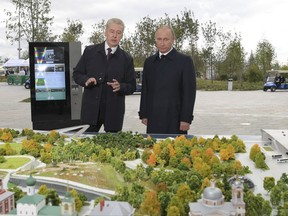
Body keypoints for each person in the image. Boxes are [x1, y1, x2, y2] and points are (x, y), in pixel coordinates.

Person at [73, 18, 136, 133]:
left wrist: (121, 87)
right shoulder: (90, 51)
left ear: (122, 35)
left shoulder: (127, 59)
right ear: (105, 32)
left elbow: (132, 86)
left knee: (113, 148)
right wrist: (86, 80)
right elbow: (77, 74)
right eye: (112, 31)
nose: (114, 35)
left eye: (118, 32)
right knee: (86, 146)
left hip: (114, 113)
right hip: (90, 111)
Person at [138, 25, 196, 135]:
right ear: (155, 40)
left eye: (166, 39)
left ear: (173, 40)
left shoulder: (184, 61)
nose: (162, 43)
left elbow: (189, 92)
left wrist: (186, 118)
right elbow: (145, 90)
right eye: (159, 39)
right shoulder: (149, 62)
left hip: (176, 119)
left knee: (175, 150)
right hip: (153, 117)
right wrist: (144, 114)